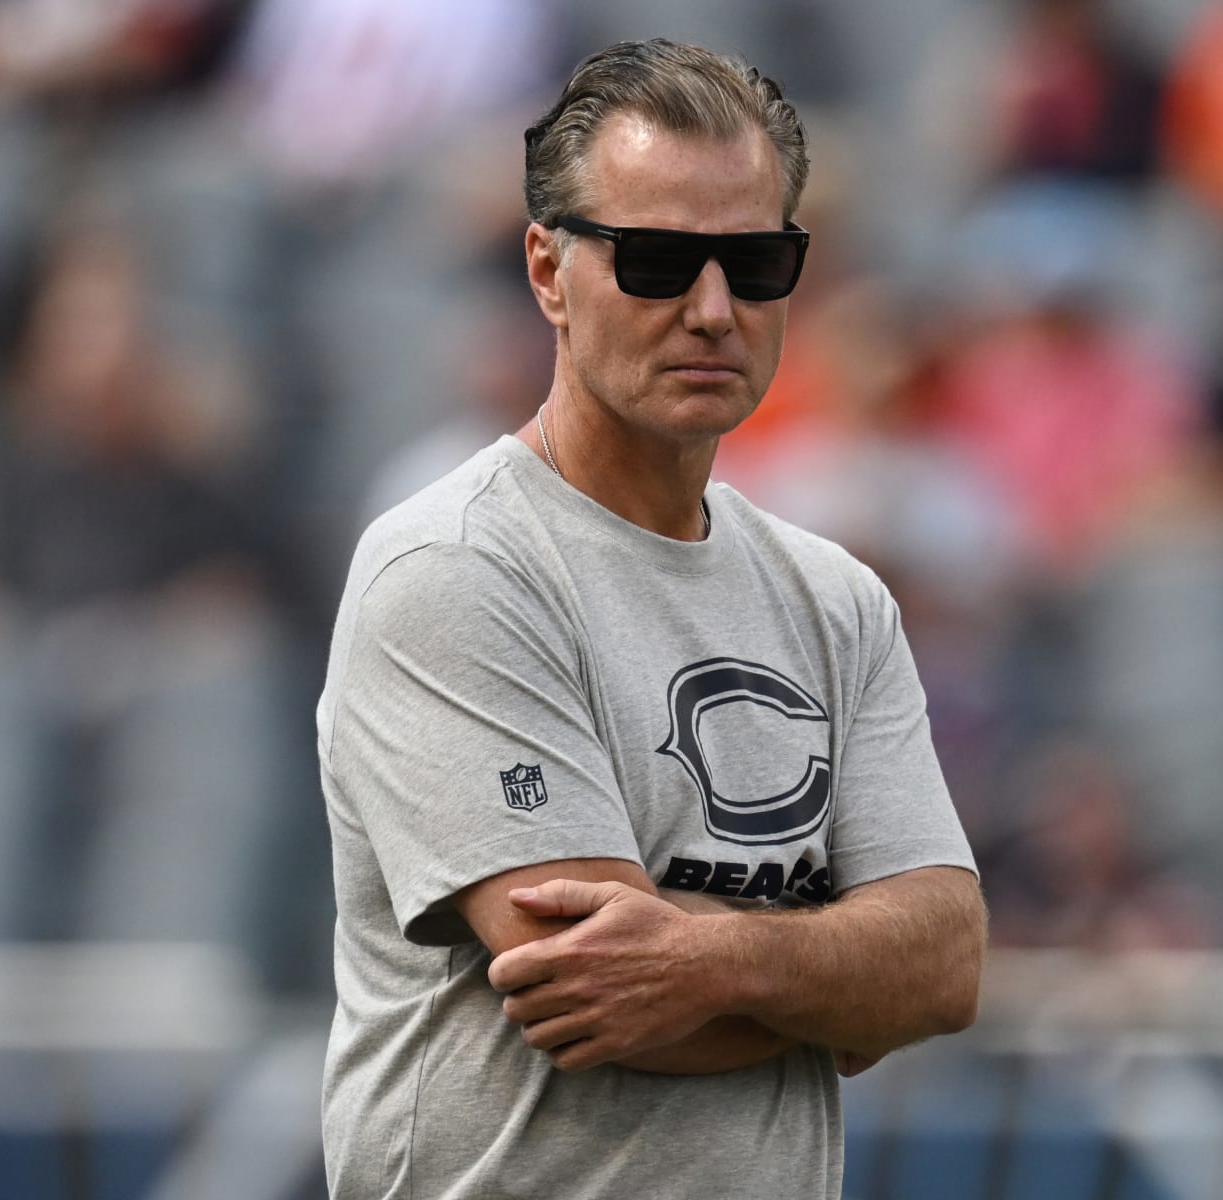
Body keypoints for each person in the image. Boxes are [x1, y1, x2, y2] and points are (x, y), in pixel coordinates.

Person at [315, 38, 986, 1200]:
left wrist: (710, 954)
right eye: (660, 259)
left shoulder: (838, 597)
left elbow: (945, 965)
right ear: (546, 271)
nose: (714, 309)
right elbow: (600, 997)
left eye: (757, 260)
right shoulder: (455, 567)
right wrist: (835, 983)